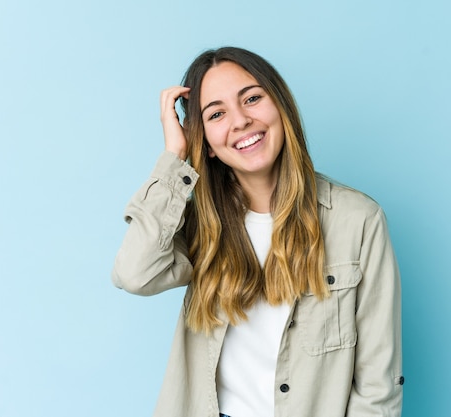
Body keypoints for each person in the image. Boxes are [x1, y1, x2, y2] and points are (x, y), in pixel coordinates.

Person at [112, 46, 403, 417]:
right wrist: (174, 157)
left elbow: (378, 381)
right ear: (208, 143)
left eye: (251, 98)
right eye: (216, 114)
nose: (240, 121)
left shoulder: (358, 220)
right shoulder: (200, 220)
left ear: (280, 106)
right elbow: (135, 274)